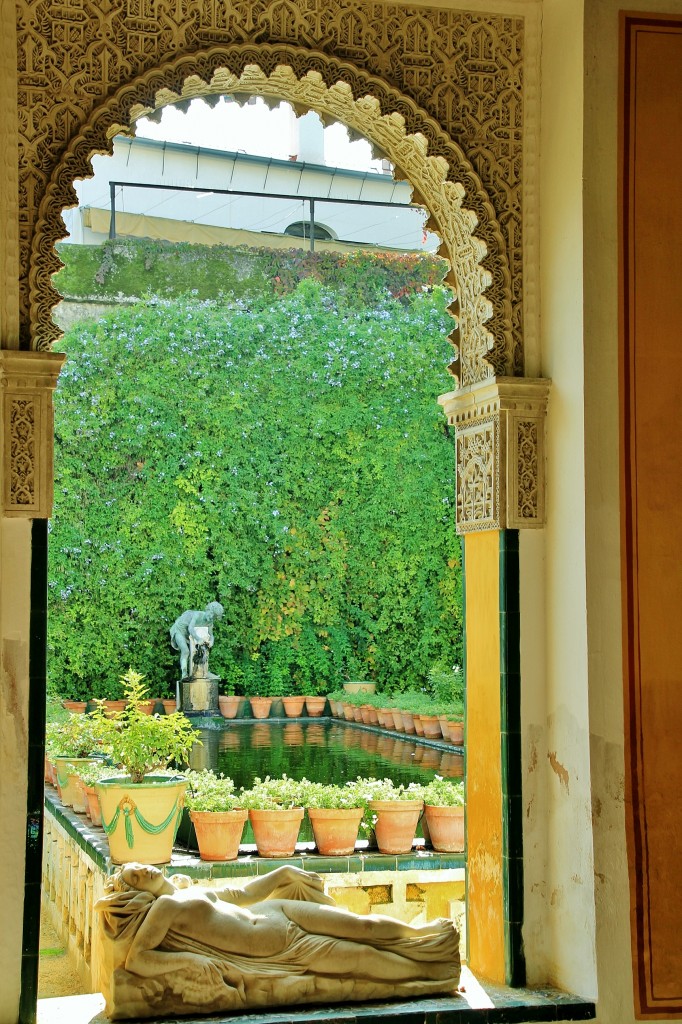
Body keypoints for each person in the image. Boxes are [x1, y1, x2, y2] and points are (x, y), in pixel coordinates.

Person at [95, 863, 460, 1020]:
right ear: (136, 892)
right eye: (137, 877)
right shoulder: (164, 908)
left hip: (279, 912)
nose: (145, 871)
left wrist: (283, 872)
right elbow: (138, 960)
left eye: (140, 866)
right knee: (359, 958)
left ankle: (421, 935)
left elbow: (242, 892)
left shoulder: (188, 888)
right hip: (281, 950)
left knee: (361, 927)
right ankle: (432, 976)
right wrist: (192, 962)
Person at [169, 602, 223, 680]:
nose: (211, 617)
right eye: (211, 613)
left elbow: (211, 635)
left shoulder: (209, 622)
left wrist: (211, 641)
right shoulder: (198, 615)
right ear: (207, 610)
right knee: (185, 651)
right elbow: (190, 628)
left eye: (214, 616)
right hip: (179, 630)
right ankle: (184, 673)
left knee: (202, 650)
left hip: (188, 634)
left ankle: (204, 672)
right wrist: (198, 639)